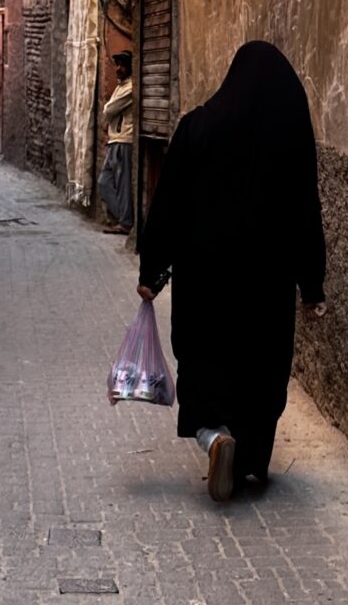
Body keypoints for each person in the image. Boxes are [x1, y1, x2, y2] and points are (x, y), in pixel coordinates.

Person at [136, 38, 326, 503]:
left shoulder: (197, 127)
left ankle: (214, 437)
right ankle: (247, 459)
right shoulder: (289, 139)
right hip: (266, 289)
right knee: (260, 376)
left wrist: (152, 269)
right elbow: (305, 211)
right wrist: (312, 285)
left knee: (206, 374)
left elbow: (168, 203)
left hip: (205, 287)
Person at [98, 49, 135, 230]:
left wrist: (108, 113)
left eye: (123, 65)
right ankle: (124, 218)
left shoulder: (130, 88)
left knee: (122, 184)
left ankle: (126, 222)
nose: (118, 69)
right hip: (115, 140)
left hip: (123, 140)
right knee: (104, 182)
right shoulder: (121, 87)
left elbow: (108, 110)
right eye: (117, 65)